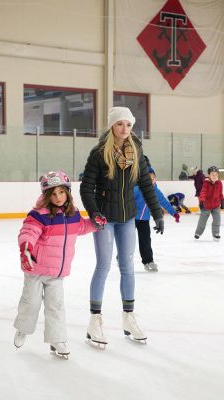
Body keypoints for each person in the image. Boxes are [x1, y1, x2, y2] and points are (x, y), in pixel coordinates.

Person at [80, 106, 164, 347]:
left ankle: (128, 317)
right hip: (104, 219)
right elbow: (87, 187)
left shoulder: (136, 150)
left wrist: (156, 213)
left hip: (128, 218)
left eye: (128, 124)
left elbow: (146, 184)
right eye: (120, 124)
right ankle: (94, 320)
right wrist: (94, 212)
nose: (125, 129)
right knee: (103, 266)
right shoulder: (98, 153)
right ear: (111, 126)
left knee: (127, 266)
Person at [13, 171, 97, 358]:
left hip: (57, 273)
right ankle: (23, 329)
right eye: (53, 193)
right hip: (36, 269)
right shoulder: (39, 215)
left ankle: (57, 339)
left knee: (56, 306)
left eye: (61, 192)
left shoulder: (73, 214)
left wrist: (95, 224)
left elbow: (81, 227)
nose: (58, 197)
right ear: (46, 195)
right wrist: (26, 248)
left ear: (68, 192)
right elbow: (28, 232)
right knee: (31, 303)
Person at [134, 167, 180, 272]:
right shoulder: (137, 189)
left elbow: (164, 202)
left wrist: (174, 213)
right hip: (132, 218)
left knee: (145, 241)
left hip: (144, 220)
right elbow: (127, 201)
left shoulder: (155, 190)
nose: (152, 181)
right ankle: (122, 257)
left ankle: (148, 261)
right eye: (149, 179)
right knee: (128, 240)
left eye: (154, 178)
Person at [194, 166, 224, 241]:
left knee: (217, 220)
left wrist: (222, 200)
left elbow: (220, 193)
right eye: (212, 174)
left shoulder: (219, 183)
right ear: (209, 175)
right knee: (202, 220)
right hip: (206, 205)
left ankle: (216, 234)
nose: (214, 176)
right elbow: (203, 192)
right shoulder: (206, 183)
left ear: (218, 175)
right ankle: (198, 233)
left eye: (215, 174)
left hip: (216, 205)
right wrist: (201, 201)